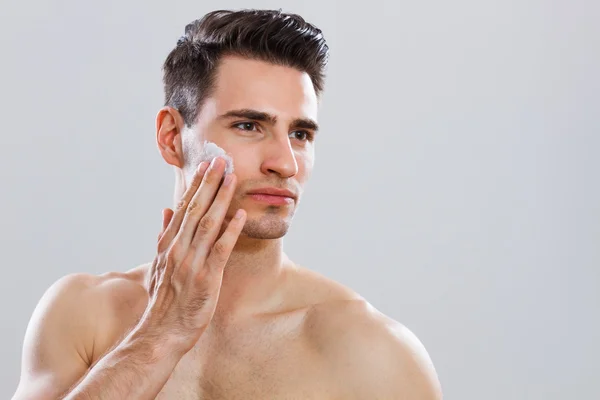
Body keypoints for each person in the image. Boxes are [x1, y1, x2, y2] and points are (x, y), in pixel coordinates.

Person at [13, 9, 442, 400]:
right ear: (170, 137)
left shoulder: (373, 353)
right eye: (249, 125)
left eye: (301, 134)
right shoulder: (84, 314)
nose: (285, 163)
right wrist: (159, 334)